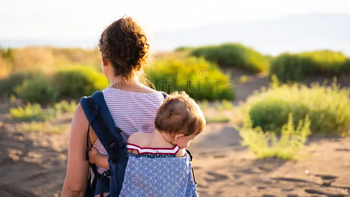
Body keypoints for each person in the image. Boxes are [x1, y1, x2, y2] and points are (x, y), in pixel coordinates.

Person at [61, 16, 164, 197]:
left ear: (104, 59)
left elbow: (75, 189)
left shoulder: (89, 109)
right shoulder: (166, 105)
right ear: (142, 59)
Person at [88, 91, 205, 197]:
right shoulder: (178, 152)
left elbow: (120, 166)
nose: (188, 144)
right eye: (189, 139)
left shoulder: (136, 140)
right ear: (178, 136)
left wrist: (96, 158)